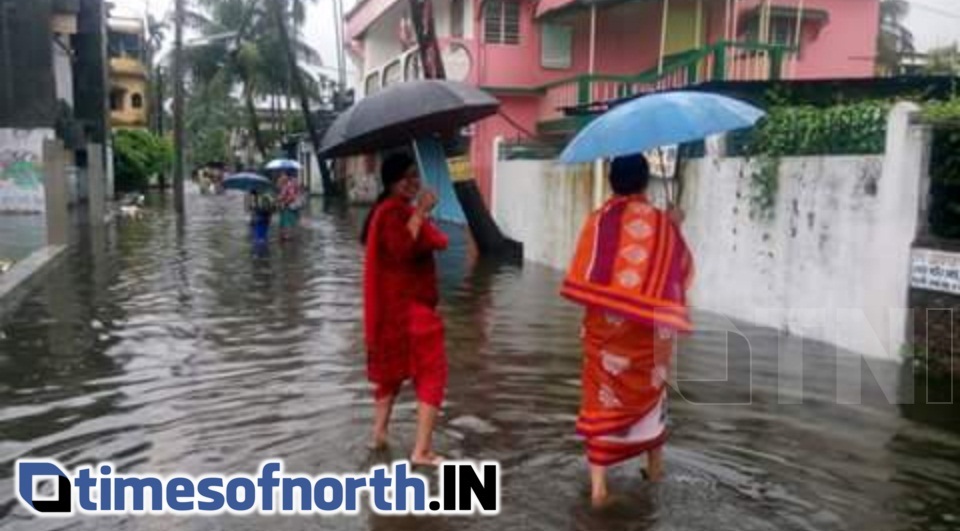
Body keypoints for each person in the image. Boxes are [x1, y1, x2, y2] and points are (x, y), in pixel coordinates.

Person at [560, 153, 694, 508]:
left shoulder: (598, 221)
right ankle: (655, 470)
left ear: (610, 180)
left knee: (600, 399)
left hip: (606, 334)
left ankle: (599, 489)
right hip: (648, 337)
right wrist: (675, 226)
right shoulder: (661, 225)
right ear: (645, 181)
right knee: (652, 395)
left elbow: (584, 273)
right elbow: (679, 269)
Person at [360, 152, 449, 466]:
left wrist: (421, 214)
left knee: (391, 374)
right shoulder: (392, 213)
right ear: (392, 180)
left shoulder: (387, 212)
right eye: (407, 176)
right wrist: (421, 211)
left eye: (416, 175)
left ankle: (380, 434)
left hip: (394, 312)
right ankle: (421, 450)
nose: (413, 181)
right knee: (433, 374)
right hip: (410, 311)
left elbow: (437, 240)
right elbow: (402, 249)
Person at [277, 171, 302, 241]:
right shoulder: (283, 185)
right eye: (281, 175)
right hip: (284, 206)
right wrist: (279, 198)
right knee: (284, 221)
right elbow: (282, 194)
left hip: (288, 206)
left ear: (287, 176)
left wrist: (285, 202)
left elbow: (292, 196)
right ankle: (284, 235)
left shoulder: (289, 185)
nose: (282, 177)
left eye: (283, 175)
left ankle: (288, 236)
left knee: (288, 221)